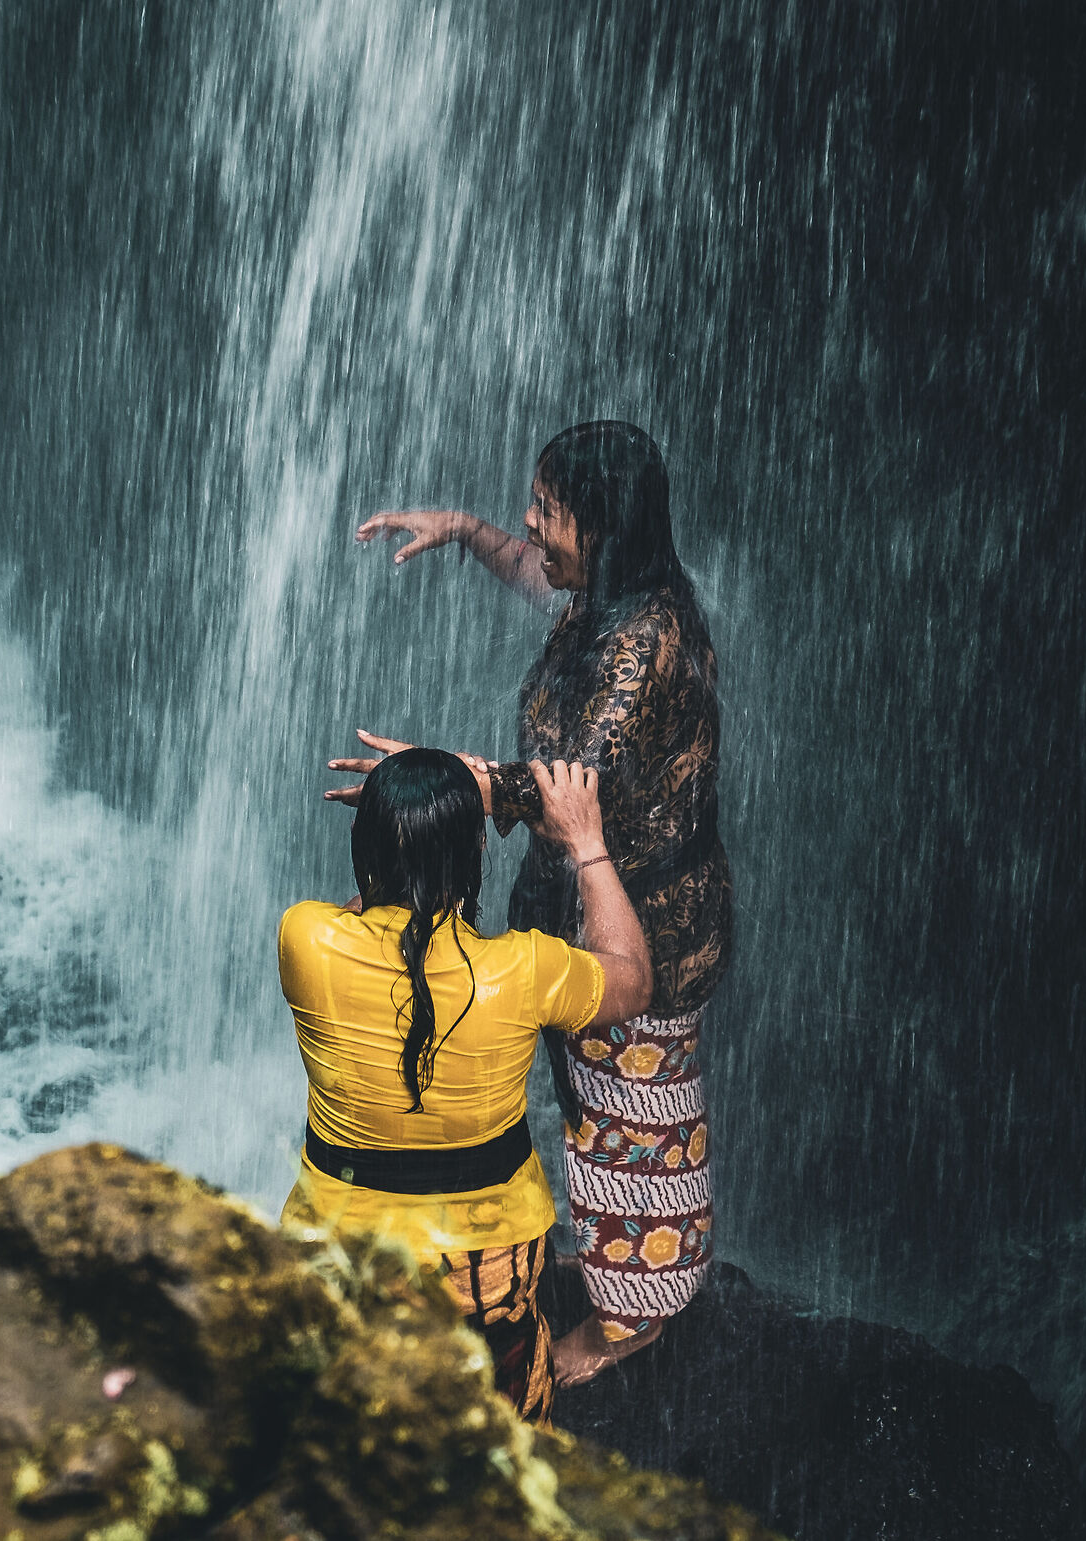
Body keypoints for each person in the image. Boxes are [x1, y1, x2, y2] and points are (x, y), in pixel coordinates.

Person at [329, 419, 731, 1385]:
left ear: (600, 527)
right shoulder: (609, 591)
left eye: (547, 511)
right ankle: (610, 1273)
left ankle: (634, 1319)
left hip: (641, 929)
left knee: (639, 1123)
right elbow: (532, 571)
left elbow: (570, 794)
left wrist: (444, 784)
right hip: (578, 904)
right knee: (594, 1105)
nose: (531, 523)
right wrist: (466, 531)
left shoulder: (644, 649)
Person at [279, 748, 651, 1424]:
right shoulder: (525, 967)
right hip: (485, 1269)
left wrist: (404, 825)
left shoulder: (305, 939)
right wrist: (587, 843)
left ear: (367, 852)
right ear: (476, 854)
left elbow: (364, 916)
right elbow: (632, 976)